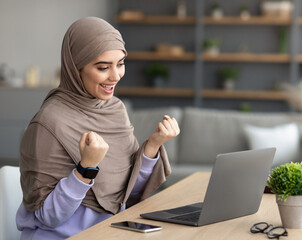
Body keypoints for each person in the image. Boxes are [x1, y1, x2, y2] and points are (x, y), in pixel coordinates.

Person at [15, 17, 180, 239]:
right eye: (103, 67)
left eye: (120, 64)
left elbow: (127, 194)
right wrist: (86, 168)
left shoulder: (114, 109)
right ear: (76, 68)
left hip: (111, 232)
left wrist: (153, 145)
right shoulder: (47, 124)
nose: (115, 76)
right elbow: (48, 217)